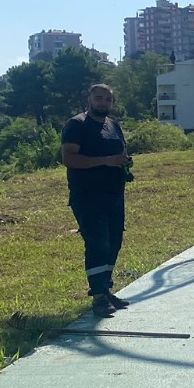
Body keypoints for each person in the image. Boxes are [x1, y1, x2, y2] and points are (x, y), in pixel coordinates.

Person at [61, 83, 132, 318]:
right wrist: (106, 160)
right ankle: (98, 297)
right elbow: (69, 159)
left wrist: (122, 163)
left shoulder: (113, 126)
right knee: (97, 243)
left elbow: (118, 154)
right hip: (88, 195)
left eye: (107, 99)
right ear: (89, 99)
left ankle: (106, 288)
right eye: (99, 98)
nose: (103, 103)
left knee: (114, 242)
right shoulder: (77, 125)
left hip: (114, 194)